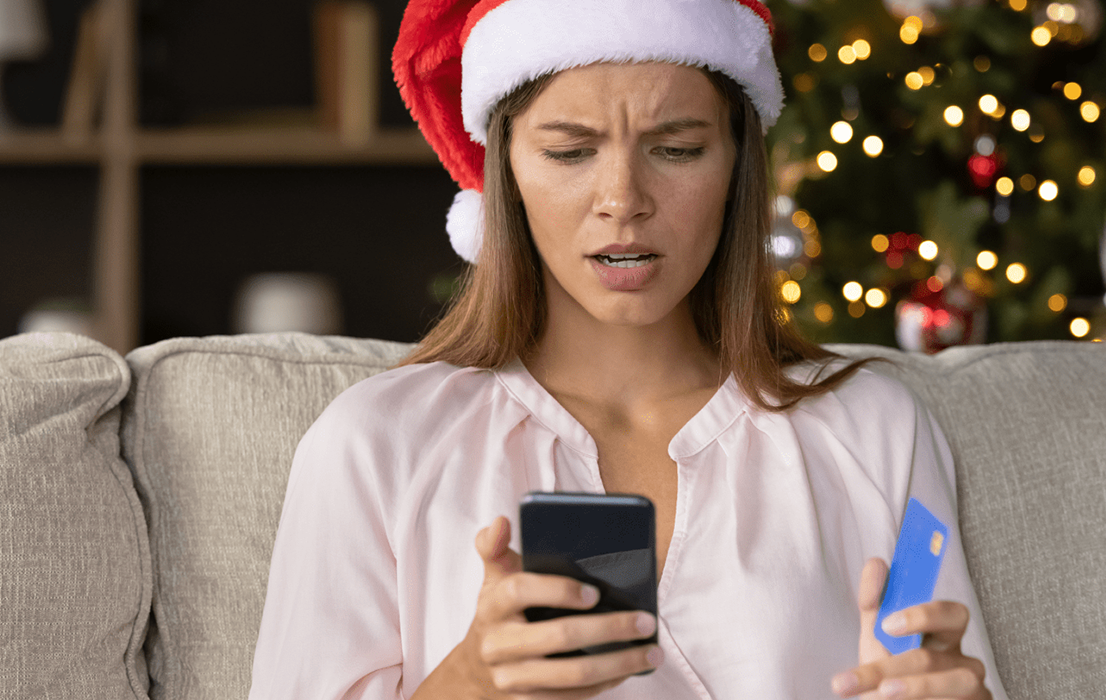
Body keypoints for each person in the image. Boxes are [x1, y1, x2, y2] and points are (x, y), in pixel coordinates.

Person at [248, 1, 1005, 698]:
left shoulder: (873, 429)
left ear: (738, 164)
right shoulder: (374, 444)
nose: (623, 198)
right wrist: (469, 683)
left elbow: (934, 663)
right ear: (504, 170)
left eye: (676, 149)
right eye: (570, 152)